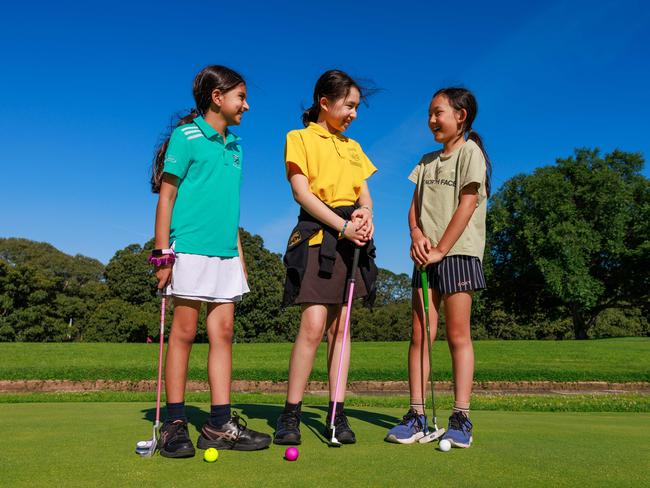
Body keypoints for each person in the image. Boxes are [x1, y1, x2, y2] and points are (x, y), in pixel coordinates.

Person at [149, 65, 271, 458]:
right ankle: (175, 423)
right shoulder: (185, 138)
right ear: (217, 97)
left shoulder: (236, 147)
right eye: (241, 97)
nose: (246, 105)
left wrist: (239, 256)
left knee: (224, 335)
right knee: (183, 334)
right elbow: (166, 197)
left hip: (225, 255)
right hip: (187, 251)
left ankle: (218, 424)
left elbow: (229, 209)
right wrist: (162, 254)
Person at [274, 69, 378, 445]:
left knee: (341, 329)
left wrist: (365, 215)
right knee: (314, 326)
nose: (354, 113)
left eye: (355, 107)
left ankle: (336, 413)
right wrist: (343, 226)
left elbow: (363, 194)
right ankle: (290, 414)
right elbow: (302, 194)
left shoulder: (353, 147)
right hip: (318, 238)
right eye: (349, 105)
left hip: (351, 242)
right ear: (325, 103)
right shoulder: (298, 138)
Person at [385, 87, 491, 448]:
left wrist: (442, 249)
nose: (431, 119)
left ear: (460, 116)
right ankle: (416, 414)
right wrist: (416, 235)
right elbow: (413, 209)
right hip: (426, 255)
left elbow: (467, 204)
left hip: (458, 253)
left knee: (458, 335)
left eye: (438, 112)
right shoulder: (426, 161)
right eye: (429, 113)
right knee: (420, 335)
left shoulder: (470, 153)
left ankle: (461, 416)